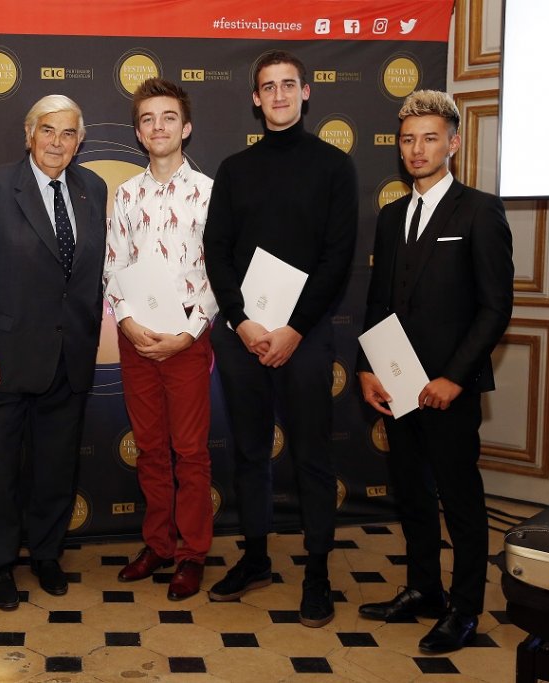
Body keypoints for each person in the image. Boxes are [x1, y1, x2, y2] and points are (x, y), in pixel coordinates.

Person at [202, 50, 357, 627]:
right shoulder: (235, 169)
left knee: (313, 456)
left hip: (305, 336)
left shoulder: (335, 167)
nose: (279, 95)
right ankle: (257, 558)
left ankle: (317, 573)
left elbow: (338, 258)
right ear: (255, 98)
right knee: (248, 453)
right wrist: (242, 322)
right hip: (244, 337)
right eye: (268, 87)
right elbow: (216, 250)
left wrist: (294, 329)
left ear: (307, 92)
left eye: (288, 85)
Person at [357, 90, 513, 654]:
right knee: (413, 495)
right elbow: (376, 300)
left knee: (461, 501)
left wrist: (454, 377)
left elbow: (496, 307)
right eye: (407, 139)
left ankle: (465, 610)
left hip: (449, 388)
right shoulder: (392, 214)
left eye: (429, 138)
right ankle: (423, 590)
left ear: (454, 142)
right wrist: (366, 368)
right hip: (396, 384)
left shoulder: (479, 210)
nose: (417, 149)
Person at [0, 94, 107, 610]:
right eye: (47, 131)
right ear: (28, 134)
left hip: (70, 358)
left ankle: (46, 554)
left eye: (67, 133)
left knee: (55, 468)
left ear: (80, 141)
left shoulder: (93, 188)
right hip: (3, 357)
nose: (56, 143)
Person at [103, 78, 217, 601]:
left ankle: (193, 553)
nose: (158, 127)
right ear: (138, 132)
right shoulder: (125, 194)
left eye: (168, 117)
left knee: (189, 452)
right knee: (150, 449)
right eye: (148, 119)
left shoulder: (211, 193)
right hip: (136, 339)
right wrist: (126, 323)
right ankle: (159, 543)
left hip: (187, 341)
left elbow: (223, 274)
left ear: (185, 127)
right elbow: (114, 268)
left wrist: (188, 334)